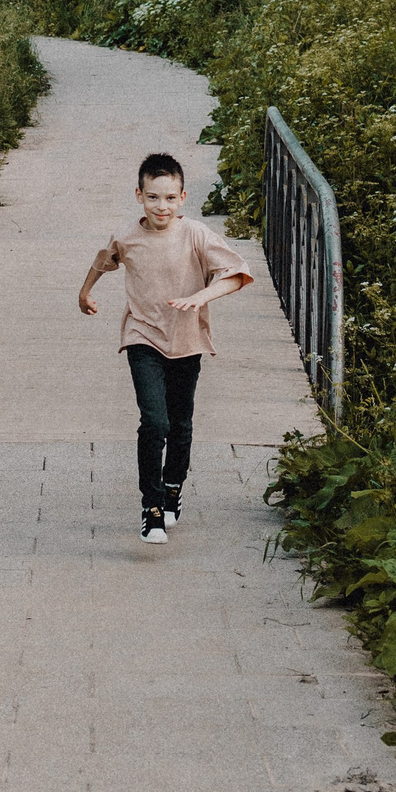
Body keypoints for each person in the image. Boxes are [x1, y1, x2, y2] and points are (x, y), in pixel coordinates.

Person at [76, 152, 254, 545]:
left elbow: (238, 274)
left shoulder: (197, 235)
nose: (162, 206)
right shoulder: (127, 237)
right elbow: (104, 260)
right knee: (154, 421)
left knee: (180, 424)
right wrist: (84, 293)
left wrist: (202, 295)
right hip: (143, 337)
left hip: (187, 340)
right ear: (139, 195)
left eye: (170, 198)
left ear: (183, 197)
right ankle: (151, 507)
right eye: (154, 197)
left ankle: (174, 486)